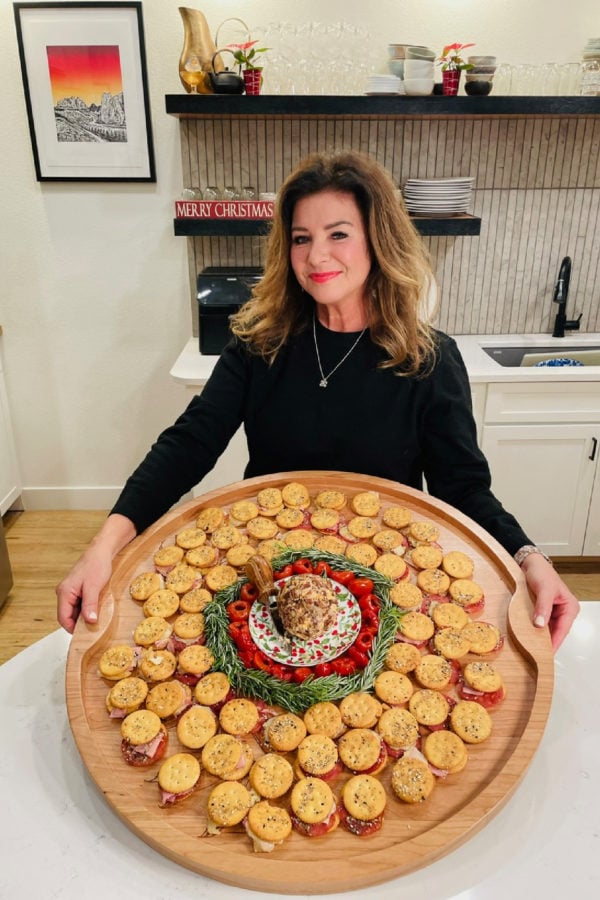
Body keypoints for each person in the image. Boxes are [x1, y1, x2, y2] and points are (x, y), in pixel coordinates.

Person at [56, 150, 579, 649]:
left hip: (384, 585)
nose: (317, 256)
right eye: (301, 238)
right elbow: (189, 444)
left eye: (339, 235)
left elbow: (463, 487)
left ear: (378, 240)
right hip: (270, 577)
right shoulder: (259, 344)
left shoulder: (429, 359)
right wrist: (104, 546)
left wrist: (529, 556)